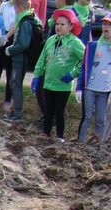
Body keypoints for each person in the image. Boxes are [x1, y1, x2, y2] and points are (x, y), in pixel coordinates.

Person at [33, 8, 85, 140]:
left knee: (59, 111)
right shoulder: (51, 40)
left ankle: (60, 137)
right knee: (48, 111)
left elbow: (86, 59)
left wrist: (74, 74)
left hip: (63, 85)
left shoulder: (75, 43)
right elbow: (42, 59)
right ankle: (45, 135)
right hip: (49, 82)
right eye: (57, 24)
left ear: (71, 26)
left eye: (62, 24)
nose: (58, 27)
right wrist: (36, 76)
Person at [3, 0, 42, 121]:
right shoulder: (32, 19)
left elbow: (24, 44)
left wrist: (11, 49)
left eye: (15, 7)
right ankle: (15, 111)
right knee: (14, 83)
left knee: (15, 84)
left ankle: (18, 114)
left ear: (19, 7)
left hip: (20, 60)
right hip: (22, 59)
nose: (14, 10)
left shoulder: (25, 22)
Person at [77, 15, 111, 142]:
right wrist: (79, 88)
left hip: (105, 90)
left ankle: (97, 144)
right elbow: (84, 67)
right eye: (104, 24)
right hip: (89, 87)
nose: (106, 27)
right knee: (87, 116)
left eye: (109, 25)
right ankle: (81, 142)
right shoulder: (93, 46)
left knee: (100, 119)